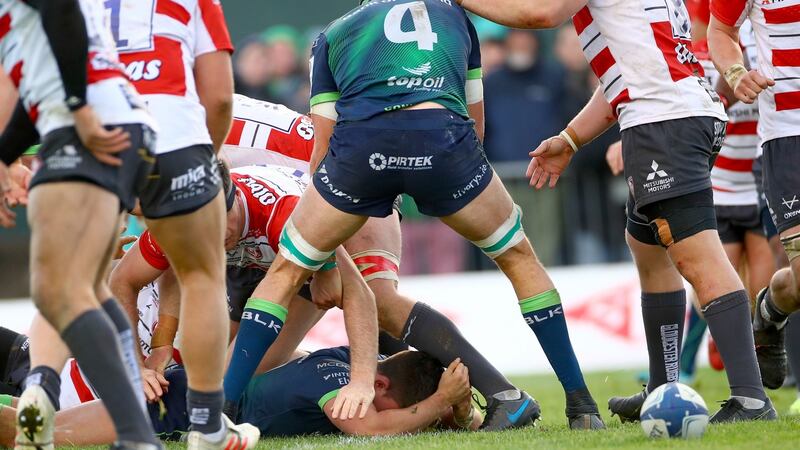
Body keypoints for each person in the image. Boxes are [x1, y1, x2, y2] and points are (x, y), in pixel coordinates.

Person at [224, 0, 607, 431]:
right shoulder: (454, 16)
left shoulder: (334, 32)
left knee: (289, 275)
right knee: (519, 258)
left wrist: (323, 248)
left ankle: (216, 414)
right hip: (442, 142)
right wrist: (460, 182)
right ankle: (580, 406)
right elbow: (475, 125)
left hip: (357, 156)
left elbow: (322, 149)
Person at [458, 0, 777, 422]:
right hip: (673, 115)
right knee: (648, 247)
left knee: (698, 257)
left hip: (664, 122)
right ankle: (663, 387)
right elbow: (620, 82)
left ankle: (751, 400)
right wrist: (570, 140)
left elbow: (541, 14)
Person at [0, 0, 168, 448]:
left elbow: (61, 10)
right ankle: (124, 426)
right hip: (114, 125)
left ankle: (54, 398)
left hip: (88, 128)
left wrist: (77, 106)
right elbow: (35, 91)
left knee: (64, 288)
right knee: (81, 287)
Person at [108, 1, 257, 447]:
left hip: (89, 144)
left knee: (72, 286)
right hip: (173, 142)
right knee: (202, 277)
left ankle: (45, 386)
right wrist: (204, 160)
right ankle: (208, 426)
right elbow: (220, 97)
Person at [0, 347, 478, 447]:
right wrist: (437, 404)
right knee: (39, 431)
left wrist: (454, 407)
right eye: (401, 408)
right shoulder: (340, 383)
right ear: (378, 386)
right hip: (178, 403)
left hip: (189, 391)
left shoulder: (349, 356)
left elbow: (450, 423)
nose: (408, 420)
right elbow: (369, 426)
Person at [708, 0, 800, 394]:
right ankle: (770, 309)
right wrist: (736, 73)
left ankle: (770, 310)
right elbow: (719, 30)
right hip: (787, 136)